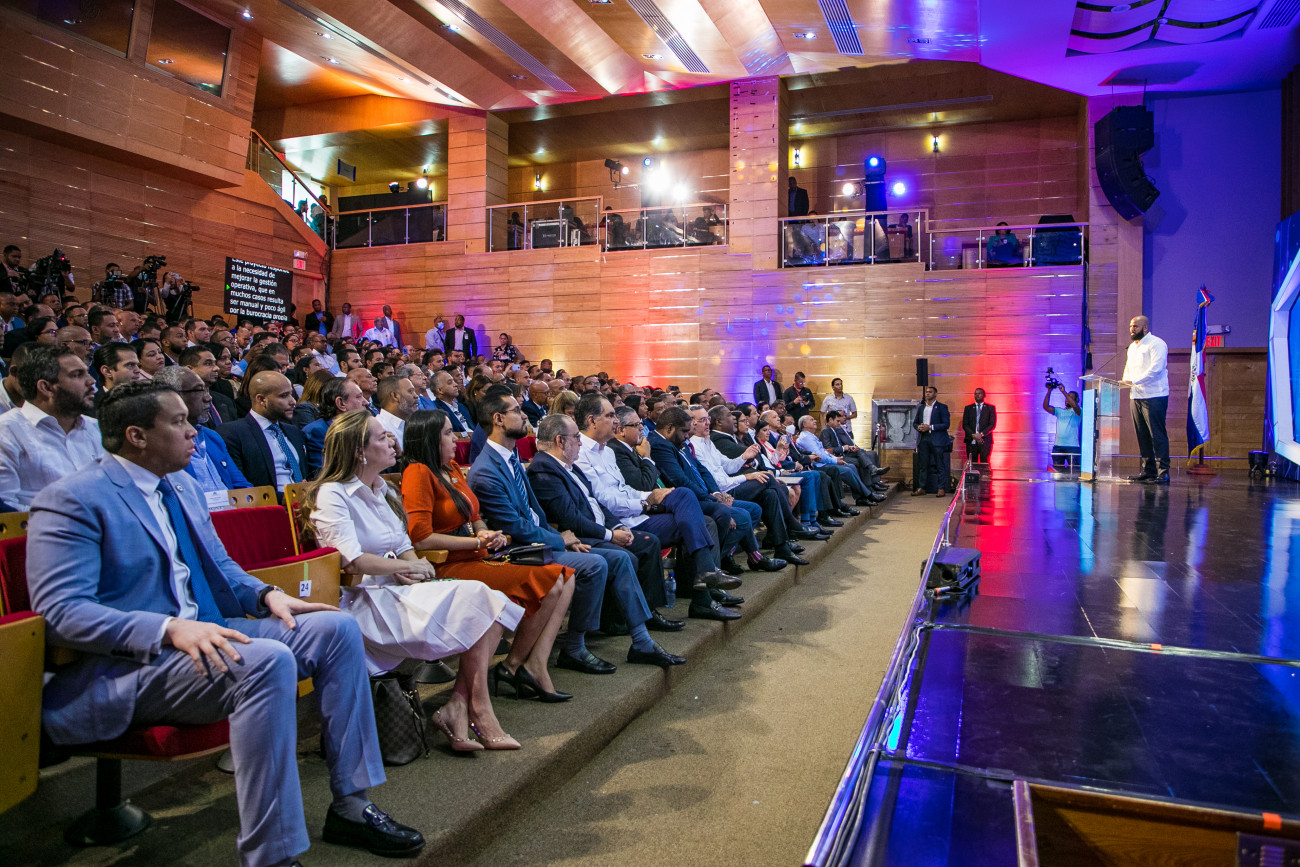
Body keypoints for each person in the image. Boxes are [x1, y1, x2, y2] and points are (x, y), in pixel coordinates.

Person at [27, 382, 424, 865]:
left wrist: (267, 594)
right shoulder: (72, 498)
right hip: (134, 661)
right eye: (178, 422)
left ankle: (352, 806)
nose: (194, 430)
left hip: (207, 633)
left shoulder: (182, 486)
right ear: (136, 435)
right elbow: (62, 613)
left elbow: (222, 567)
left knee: (336, 628)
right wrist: (168, 629)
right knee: (267, 661)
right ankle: (271, 854)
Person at [304, 410, 523, 751]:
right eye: (382, 437)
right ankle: (474, 710)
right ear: (360, 451)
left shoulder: (383, 490)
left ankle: (462, 705)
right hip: (363, 600)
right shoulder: (333, 494)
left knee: (489, 602)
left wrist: (417, 568)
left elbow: (405, 546)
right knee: (483, 599)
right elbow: (351, 560)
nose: (392, 441)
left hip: (399, 590)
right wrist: (402, 568)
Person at [400, 410, 575, 701]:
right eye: (447, 433)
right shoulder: (418, 473)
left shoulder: (450, 467)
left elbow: (475, 514)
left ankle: (533, 664)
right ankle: (515, 665)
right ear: (429, 438)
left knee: (565, 578)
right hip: (447, 565)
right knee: (552, 579)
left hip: (475, 555)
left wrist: (484, 532)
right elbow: (421, 538)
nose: (455, 439)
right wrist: (473, 542)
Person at [466, 391, 643, 675]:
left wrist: (562, 539)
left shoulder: (510, 457)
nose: (524, 415)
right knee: (596, 564)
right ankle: (574, 647)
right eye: (516, 411)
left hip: (539, 539)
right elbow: (514, 526)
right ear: (498, 419)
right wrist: (559, 539)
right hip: (516, 549)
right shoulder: (486, 468)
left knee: (613, 557)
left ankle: (637, 638)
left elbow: (536, 513)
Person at [527, 414, 686, 667]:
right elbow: (571, 518)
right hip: (579, 537)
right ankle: (632, 639)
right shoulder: (543, 469)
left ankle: (636, 627)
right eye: (576, 437)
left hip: (596, 530)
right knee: (622, 558)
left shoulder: (569, 466)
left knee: (645, 542)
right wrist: (611, 535)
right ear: (560, 441)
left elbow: (596, 503)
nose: (581, 442)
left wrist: (617, 525)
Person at [574, 394, 737, 620]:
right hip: (618, 522)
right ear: (592, 420)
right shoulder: (581, 453)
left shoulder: (607, 451)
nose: (615, 421)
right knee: (695, 507)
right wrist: (646, 500)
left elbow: (625, 489)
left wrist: (650, 495)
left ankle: (703, 596)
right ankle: (706, 572)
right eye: (610, 415)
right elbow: (603, 500)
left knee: (694, 507)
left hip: (635, 512)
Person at [649, 406, 785, 581]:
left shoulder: (681, 442)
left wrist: (714, 493)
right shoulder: (661, 445)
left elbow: (703, 471)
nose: (687, 434)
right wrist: (713, 498)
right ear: (670, 428)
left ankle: (724, 563)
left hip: (706, 493)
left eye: (707, 419)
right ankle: (711, 571)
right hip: (686, 500)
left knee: (760, 502)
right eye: (700, 420)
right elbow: (679, 480)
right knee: (736, 514)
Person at [0, 345, 103, 508]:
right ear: (46, 387)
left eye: (87, 372)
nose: (91, 381)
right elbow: (6, 508)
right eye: (77, 375)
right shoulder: (7, 431)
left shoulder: (96, 428)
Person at [154, 366, 251, 492]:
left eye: (207, 390)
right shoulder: (162, 445)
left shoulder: (212, 437)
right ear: (173, 396)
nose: (208, 398)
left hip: (230, 504)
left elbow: (242, 486)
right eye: (199, 390)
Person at [217, 371, 308, 493]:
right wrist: (288, 497)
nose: (293, 401)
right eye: (284, 396)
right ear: (261, 399)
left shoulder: (294, 432)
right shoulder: (233, 433)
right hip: (270, 503)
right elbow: (241, 489)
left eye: (291, 394)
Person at [1121, 315, 1170, 483]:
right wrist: (1125, 381)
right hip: (1136, 396)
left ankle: (1163, 472)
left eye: (1135, 326)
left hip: (1154, 395)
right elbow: (1128, 369)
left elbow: (1156, 369)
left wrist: (1134, 381)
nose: (1132, 329)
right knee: (1142, 435)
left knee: (1157, 435)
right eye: (1130, 326)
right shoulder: (1132, 347)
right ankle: (1149, 471)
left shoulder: (1157, 344)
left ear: (1145, 328)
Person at [304, 377, 369, 478]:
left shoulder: (365, 429)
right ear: (341, 403)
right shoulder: (317, 431)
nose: (366, 402)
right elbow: (323, 474)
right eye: (359, 397)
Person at [181, 345, 237, 427]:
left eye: (215, 363)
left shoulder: (226, 401)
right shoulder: (180, 404)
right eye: (208, 364)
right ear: (189, 369)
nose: (216, 368)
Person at [912, 385, 952, 496]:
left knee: (939, 464)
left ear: (935, 394)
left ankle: (941, 488)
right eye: (926, 392)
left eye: (930, 392)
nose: (927, 394)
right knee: (923, 465)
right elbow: (915, 423)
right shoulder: (921, 408)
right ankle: (922, 487)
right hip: (923, 438)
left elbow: (946, 424)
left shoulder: (942, 407)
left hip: (937, 439)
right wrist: (919, 427)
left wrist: (930, 427)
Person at [1043, 384, 1082, 472]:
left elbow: (1075, 406)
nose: (1067, 399)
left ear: (1076, 400)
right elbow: (1046, 407)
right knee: (1057, 471)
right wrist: (1049, 391)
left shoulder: (1078, 411)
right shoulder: (1060, 411)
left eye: (1070, 397)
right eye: (1067, 397)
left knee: (1074, 471)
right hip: (1058, 446)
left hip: (1072, 447)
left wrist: (1064, 392)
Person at [375, 375, 417, 452]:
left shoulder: (411, 424)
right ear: (395, 396)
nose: (416, 396)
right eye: (410, 391)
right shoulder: (379, 428)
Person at [961, 388, 997, 464]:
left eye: (979, 393)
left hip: (985, 441)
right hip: (971, 440)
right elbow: (965, 424)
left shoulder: (990, 408)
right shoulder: (968, 408)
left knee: (984, 463)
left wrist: (981, 434)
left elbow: (992, 424)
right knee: (972, 463)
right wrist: (974, 435)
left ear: (984, 395)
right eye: (976, 393)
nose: (977, 395)